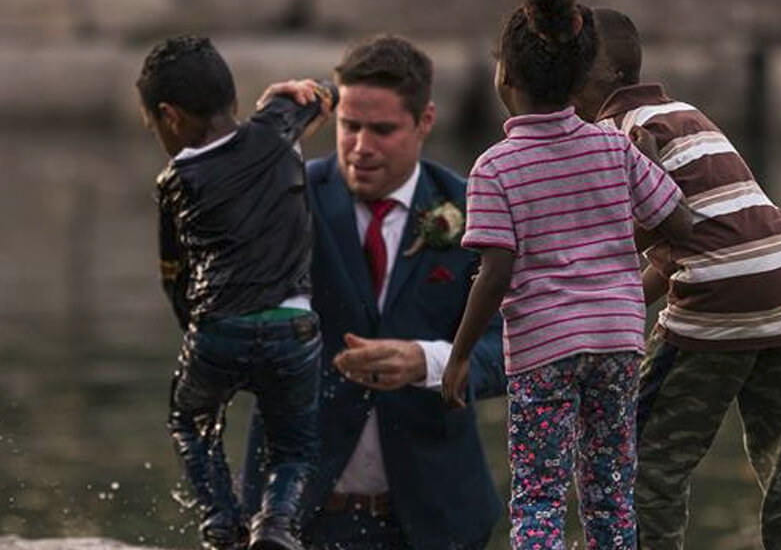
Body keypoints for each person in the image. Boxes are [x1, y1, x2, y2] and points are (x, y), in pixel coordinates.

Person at [571, 8, 781, 550]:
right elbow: (687, 245)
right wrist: (624, 301)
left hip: (720, 291)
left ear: (590, 81)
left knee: (645, 457)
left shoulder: (611, 136)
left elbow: (627, 246)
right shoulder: (684, 113)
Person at [441, 0, 692, 549]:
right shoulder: (614, 146)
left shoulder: (495, 169)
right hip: (618, 339)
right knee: (608, 486)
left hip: (543, 348)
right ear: (582, 78)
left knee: (539, 491)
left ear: (504, 75)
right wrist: (648, 167)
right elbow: (679, 223)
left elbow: (496, 273)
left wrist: (459, 356)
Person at [240, 35, 507, 550]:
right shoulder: (289, 196)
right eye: (350, 126)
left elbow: (512, 349)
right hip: (294, 518)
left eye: (382, 130)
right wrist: (263, 146)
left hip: (437, 521)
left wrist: (427, 361)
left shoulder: (473, 210)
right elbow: (226, 274)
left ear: (425, 121)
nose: (361, 146)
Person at [138, 34, 333, 550]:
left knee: (190, 420)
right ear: (234, 101)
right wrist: (292, 96)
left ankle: (221, 521)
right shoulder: (278, 129)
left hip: (217, 327)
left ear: (169, 116)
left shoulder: (174, 179)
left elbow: (173, 273)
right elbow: (326, 91)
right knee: (293, 449)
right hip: (293, 327)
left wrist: (196, 331)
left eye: (151, 123)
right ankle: (275, 524)